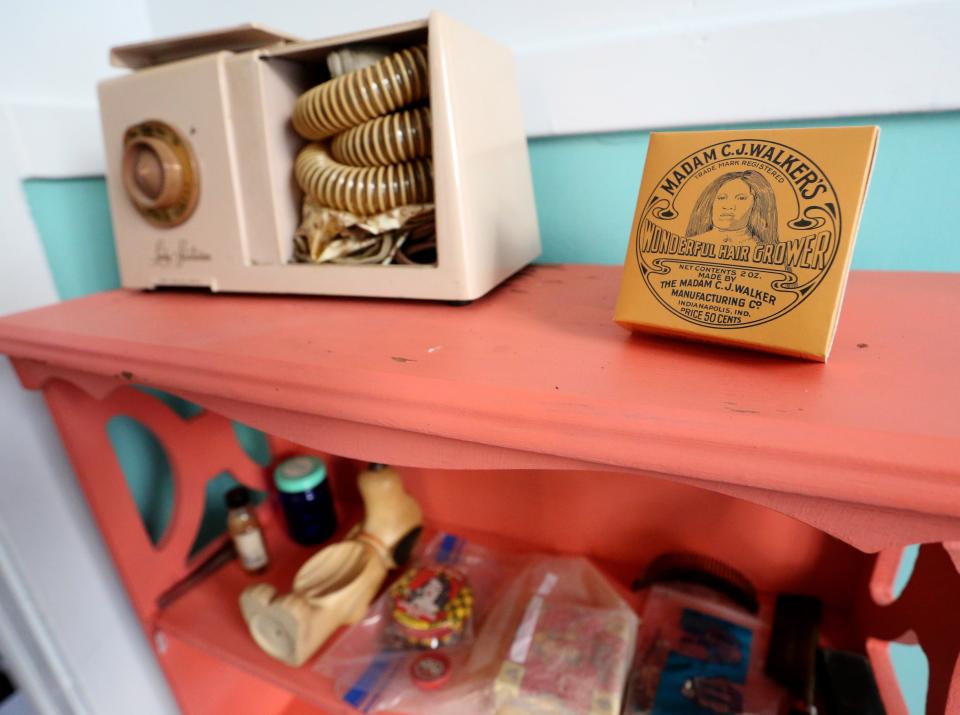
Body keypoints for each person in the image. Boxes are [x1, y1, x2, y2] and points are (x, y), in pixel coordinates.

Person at [685, 170, 779, 248]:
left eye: (741, 198)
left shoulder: (768, 255)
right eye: (721, 198)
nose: (728, 206)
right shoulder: (689, 246)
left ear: (756, 205)